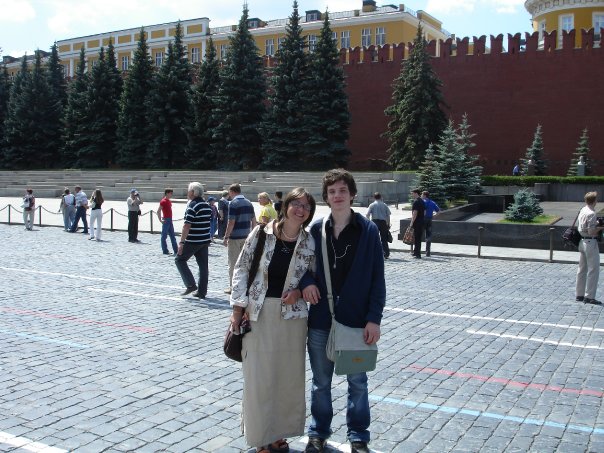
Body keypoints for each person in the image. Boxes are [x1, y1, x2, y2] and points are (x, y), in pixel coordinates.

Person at [300, 169, 385, 453]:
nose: (337, 196)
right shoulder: (316, 229)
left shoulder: (368, 230)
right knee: (320, 383)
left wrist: (374, 319)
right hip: (321, 319)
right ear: (326, 197)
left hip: (356, 322)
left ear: (352, 195)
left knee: (358, 383)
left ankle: (358, 436)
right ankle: (318, 432)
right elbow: (302, 267)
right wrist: (307, 283)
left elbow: (377, 278)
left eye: (342, 191)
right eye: (332, 191)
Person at [230, 188, 317, 453]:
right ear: (286, 206)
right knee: (259, 378)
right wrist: (237, 310)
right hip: (258, 313)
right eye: (296, 204)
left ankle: (278, 432)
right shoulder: (261, 233)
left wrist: (300, 291)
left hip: (293, 317)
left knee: (287, 378)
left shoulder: (309, 241)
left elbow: (314, 276)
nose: (301, 210)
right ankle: (260, 438)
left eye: (306, 206)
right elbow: (242, 268)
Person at [175, 182, 212, 298]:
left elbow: (187, 225)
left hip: (193, 240)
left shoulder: (193, 206)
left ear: (193, 192)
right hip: (204, 239)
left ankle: (190, 284)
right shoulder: (207, 205)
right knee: (203, 267)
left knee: (179, 260)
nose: (187, 193)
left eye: (189, 190)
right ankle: (202, 292)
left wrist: (181, 242)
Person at [223, 184, 256, 294]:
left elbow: (231, 222)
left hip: (235, 237)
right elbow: (254, 221)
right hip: (246, 236)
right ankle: (244, 284)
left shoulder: (233, 203)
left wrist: (226, 237)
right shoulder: (249, 202)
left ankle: (233, 286)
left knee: (233, 262)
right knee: (245, 262)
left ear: (232, 191)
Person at [575, 191, 604, 305]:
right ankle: (589, 296)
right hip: (590, 242)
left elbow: (583, 226)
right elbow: (591, 231)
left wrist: (595, 223)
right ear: (594, 201)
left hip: (582, 241)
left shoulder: (583, 209)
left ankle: (579, 294)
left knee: (582, 269)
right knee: (593, 269)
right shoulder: (592, 213)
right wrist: (601, 227)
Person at [365, 192, 391, 259]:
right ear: (380, 197)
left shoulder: (372, 205)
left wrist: (369, 222)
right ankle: (386, 253)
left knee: (374, 238)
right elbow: (388, 215)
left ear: (374, 197)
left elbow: (367, 214)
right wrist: (388, 224)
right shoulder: (384, 205)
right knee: (384, 239)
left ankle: (373, 253)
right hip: (383, 223)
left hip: (374, 222)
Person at [157, 188, 178, 255]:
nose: (171, 194)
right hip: (166, 220)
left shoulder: (168, 201)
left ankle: (176, 250)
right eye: (170, 193)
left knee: (172, 236)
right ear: (167, 193)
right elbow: (158, 211)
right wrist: (160, 219)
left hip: (170, 220)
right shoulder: (163, 201)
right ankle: (165, 250)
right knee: (164, 236)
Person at [421, 191, 440, 257]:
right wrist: (433, 216)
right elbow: (438, 211)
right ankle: (428, 252)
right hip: (429, 220)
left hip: (423, 220)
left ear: (425, 195)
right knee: (428, 235)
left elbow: (424, 211)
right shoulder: (432, 202)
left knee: (419, 234)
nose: (421, 196)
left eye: (422, 194)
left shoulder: (423, 202)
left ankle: (417, 251)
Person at [409, 189, 425, 259]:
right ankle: (416, 252)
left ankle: (418, 254)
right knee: (418, 237)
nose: (411, 195)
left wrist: (411, 222)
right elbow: (425, 212)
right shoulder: (422, 201)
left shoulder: (416, 202)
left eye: (412, 193)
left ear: (416, 193)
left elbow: (415, 213)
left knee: (417, 238)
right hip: (421, 221)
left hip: (417, 222)